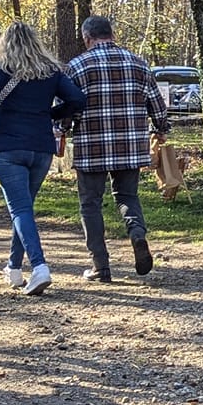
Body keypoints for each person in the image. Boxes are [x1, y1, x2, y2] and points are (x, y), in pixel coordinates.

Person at [0, 21, 87, 296]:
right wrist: (51, 115)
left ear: (5, 43)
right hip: (41, 148)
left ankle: (39, 267)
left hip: (8, 147)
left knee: (21, 209)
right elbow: (78, 100)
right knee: (24, 208)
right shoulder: (50, 72)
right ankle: (13, 267)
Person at [64, 14, 170, 282]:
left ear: (87, 38)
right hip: (131, 145)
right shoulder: (139, 63)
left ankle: (101, 266)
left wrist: (62, 129)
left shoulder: (77, 66)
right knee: (127, 196)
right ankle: (137, 234)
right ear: (112, 35)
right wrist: (160, 128)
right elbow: (157, 104)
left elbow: (67, 107)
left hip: (92, 145)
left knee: (91, 204)